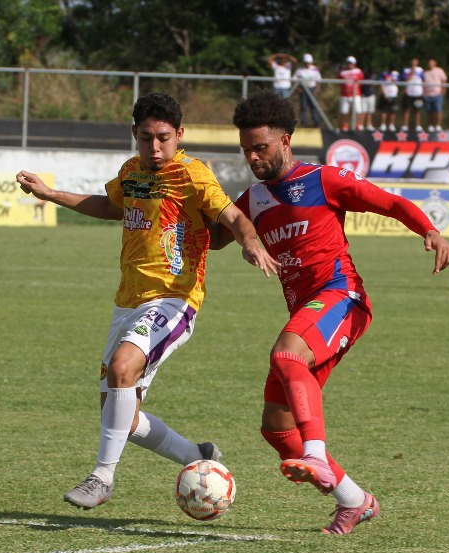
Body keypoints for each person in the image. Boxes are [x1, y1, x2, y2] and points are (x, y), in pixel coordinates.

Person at [15, 93, 278, 511]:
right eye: (145, 139)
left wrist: (250, 243)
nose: (154, 149)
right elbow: (112, 205)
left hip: (174, 300)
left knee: (122, 368)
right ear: (134, 136)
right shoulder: (131, 172)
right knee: (121, 415)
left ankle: (102, 478)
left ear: (180, 135)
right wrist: (50, 194)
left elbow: (233, 217)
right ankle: (198, 456)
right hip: (128, 302)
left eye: (162, 138)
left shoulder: (193, 175)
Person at [212, 89, 449, 534]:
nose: (252, 156)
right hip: (307, 312)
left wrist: (431, 231)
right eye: (245, 148)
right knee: (277, 428)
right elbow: (214, 237)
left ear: (285, 140)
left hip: (342, 297)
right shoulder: (253, 199)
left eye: (260, 147)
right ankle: (356, 501)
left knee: (287, 355)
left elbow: (391, 202)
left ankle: (317, 456)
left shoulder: (323, 179)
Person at [293, 53, 322, 127]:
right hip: (303, 90)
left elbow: (319, 81)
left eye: (308, 62)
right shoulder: (299, 70)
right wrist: (297, 89)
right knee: (303, 106)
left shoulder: (315, 69)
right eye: (306, 62)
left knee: (313, 106)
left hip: (312, 89)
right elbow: (293, 79)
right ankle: (304, 123)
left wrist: (316, 90)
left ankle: (316, 122)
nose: (307, 64)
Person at [338, 56, 364, 131]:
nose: (349, 65)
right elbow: (339, 81)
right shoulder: (342, 72)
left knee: (358, 110)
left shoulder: (358, 71)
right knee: (344, 111)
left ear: (354, 64)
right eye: (348, 63)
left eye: (351, 63)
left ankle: (358, 124)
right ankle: (344, 125)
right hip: (344, 95)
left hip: (356, 94)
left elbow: (361, 81)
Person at [423, 58, 448, 132]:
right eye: (429, 62)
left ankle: (438, 125)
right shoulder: (425, 72)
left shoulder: (439, 70)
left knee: (438, 110)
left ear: (435, 63)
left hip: (437, 93)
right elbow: (423, 83)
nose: (430, 64)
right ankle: (430, 125)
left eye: (431, 62)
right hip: (428, 94)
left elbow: (444, 80)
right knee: (429, 111)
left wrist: (443, 91)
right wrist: (423, 93)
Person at [401, 57, 425, 133]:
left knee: (417, 109)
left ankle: (418, 126)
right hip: (409, 92)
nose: (414, 62)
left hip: (418, 92)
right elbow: (405, 79)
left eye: (415, 61)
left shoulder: (420, 70)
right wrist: (411, 72)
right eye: (412, 61)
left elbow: (423, 80)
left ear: (417, 62)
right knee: (406, 109)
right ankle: (405, 125)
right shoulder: (406, 70)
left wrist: (423, 90)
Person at [378, 65, 400, 132]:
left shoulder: (396, 74)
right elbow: (381, 83)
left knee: (393, 110)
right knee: (384, 110)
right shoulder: (384, 73)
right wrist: (383, 93)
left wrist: (394, 80)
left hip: (393, 94)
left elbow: (399, 83)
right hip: (386, 94)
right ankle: (383, 125)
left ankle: (391, 125)